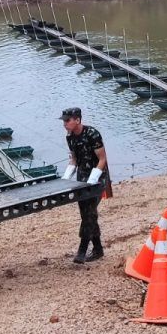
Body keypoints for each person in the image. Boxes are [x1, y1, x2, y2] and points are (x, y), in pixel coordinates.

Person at [61, 107, 108, 263]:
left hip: (98, 178)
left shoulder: (92, 134)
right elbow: (74, 159)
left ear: (78, 120)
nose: (65, 124)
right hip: (81, 179)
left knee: (89, 213)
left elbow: (102, 159)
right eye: (64, 120)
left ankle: (82, 250)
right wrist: (66, 177)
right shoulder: (70, 137)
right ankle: (98, 249)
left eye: (68, 120)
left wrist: (93, 179)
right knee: (87, 214)